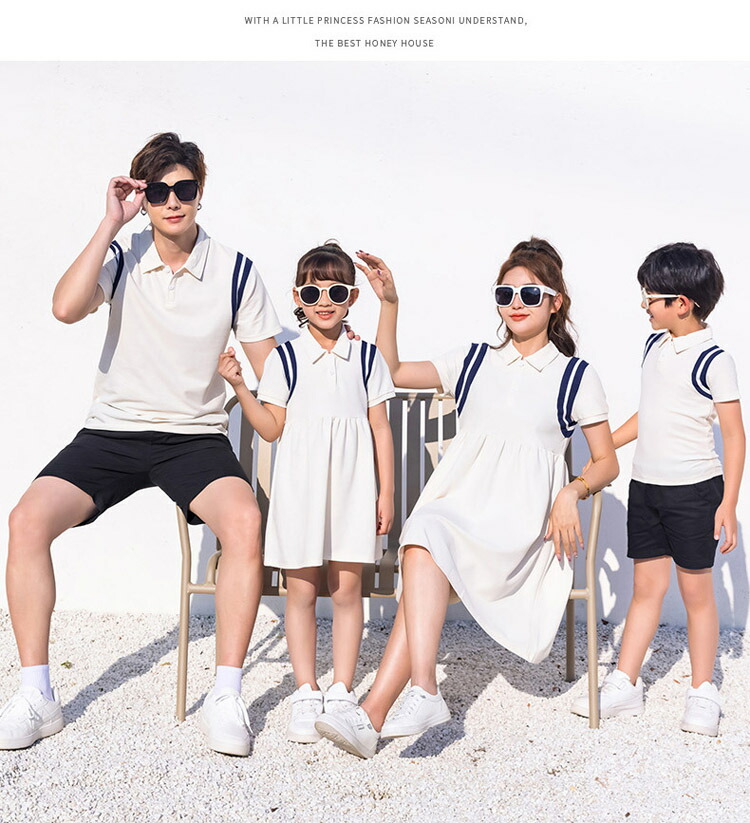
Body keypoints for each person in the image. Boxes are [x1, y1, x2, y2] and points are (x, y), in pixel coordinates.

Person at [0, 133, 282, 757]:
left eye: (184, 188)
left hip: (194, 437)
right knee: (26, 521)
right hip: (113, 432)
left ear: (200, 193)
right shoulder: (122, 253)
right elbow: (64, 308)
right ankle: (38, 696)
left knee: (244, 522)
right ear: (144, 198)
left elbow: (273, 368)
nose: (172, 201)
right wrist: (110, 222)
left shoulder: (236, 270)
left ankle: (226, 695)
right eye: (158, 191)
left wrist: (329, 353)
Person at [314, 238, 619, 758]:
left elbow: (606, 461)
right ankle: (409, 696)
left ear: (555, 302)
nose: (516, 303)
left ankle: (381, 711)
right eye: (505, 293)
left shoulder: (575, 375)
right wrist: (389, 304)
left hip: (519, 531)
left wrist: (573, 490)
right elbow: (392, 372)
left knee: (425, 538)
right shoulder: (476, 360)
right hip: (459, 512)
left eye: (529, 293)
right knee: (426, 533)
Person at [218, 241, 395, 743]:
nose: (324, 301)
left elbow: (381, 428)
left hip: (352, 491)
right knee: (299, 591)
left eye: (336, 292)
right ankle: (305, 689)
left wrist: (386, 493)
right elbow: (271, 428)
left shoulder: (366, 358)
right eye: (313, 292)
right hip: (299, 491)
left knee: (347, 589)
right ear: (298, 296)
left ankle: (341, 689)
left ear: (352, 297)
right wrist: (240, 387)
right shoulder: (285, 359)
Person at [572, 242, 744, 737]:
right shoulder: (654, 347)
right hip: (647, 489)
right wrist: (605, 446)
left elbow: (735, 435)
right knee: (646, 588)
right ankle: (626, 682)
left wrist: (728, 504)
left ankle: (703, 689)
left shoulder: (714, 360)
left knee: (697, 594)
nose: (644, 305)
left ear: (681, 303)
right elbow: (650, 412)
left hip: (694, 493)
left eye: (651, 297)